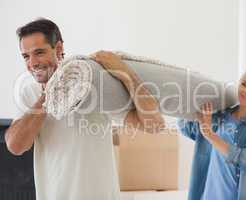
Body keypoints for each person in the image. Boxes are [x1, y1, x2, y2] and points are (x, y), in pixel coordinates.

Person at [5, 18, 165, 200]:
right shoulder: (29, 93)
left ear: (58, 49)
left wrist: (125, 72)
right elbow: (15, 146)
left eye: (39, 52)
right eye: (26, 56)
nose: (32, 63)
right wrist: (50, 94)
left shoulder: (93, 85)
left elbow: (154, 125)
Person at [177, 65, 246, 200]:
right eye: (244, 84)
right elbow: (186, 127)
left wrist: (211, 135)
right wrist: (190, 99)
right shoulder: (219, 115)